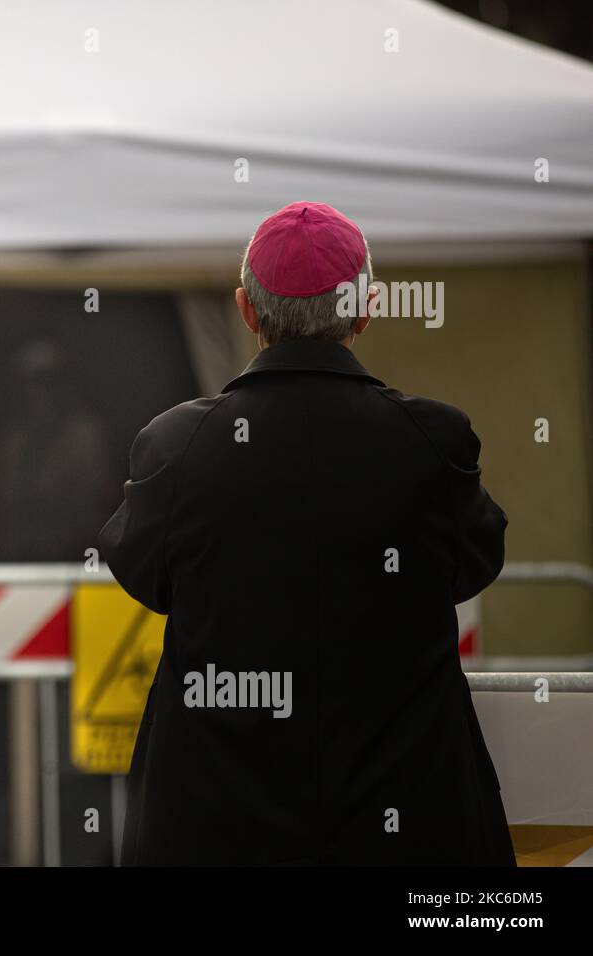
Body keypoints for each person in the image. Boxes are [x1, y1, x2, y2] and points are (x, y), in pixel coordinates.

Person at [100, 201, 512, 865]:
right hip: (403, 821)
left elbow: (143, 574)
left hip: (216, 824)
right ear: (364, 310)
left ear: (246, 310)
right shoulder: (432, 442)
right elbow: (476, 562)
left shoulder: (179, 444)